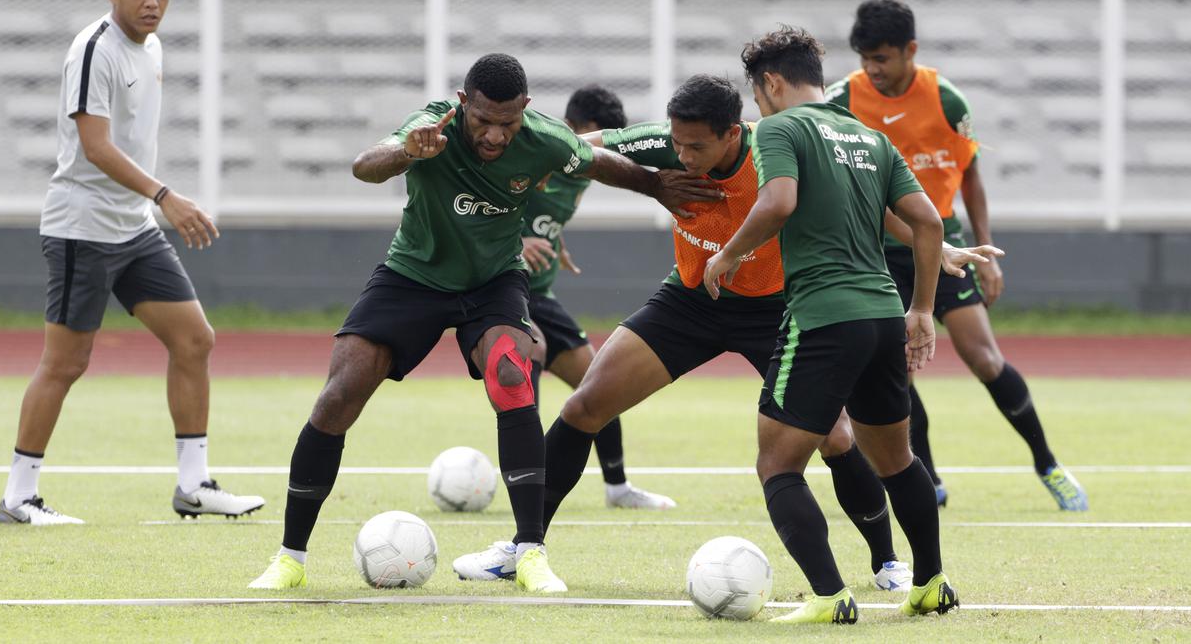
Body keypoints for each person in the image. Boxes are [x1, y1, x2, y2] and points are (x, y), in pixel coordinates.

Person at [457, 74, 997, 592]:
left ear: (732, 135)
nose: (683, 156)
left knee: (835, 436)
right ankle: (522, 546)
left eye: (696, 147)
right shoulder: (667, 143)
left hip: (775, 309)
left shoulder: (776, 150)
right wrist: (518, 141)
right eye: (677, 144)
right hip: (692, 300)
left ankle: (887, 562)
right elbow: (583, 145)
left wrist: (941, 247)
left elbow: (874, 207)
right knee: (585, 406)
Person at [247, 53, 721, 592]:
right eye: (484, 122)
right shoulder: (431, 125)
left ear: (526, 110)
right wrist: (406, 151)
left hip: (493, 281)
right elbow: (364, 165)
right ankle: (290, 558)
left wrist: (657, 187)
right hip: (414, 274)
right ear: (463, 102)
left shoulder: (543, 137)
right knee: (339, 395)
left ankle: (530, 552)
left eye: (508, 123)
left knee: (513, 374)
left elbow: (596, 163)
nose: (496, 136)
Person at [0, 0, 264, 526]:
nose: (152, 1)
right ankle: (18, 497)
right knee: (66, 363)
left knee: (195, 340)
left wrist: (150, 205)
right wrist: (166, 196)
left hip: (133, 229)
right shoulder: (94, 49)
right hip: (82, 229)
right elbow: (95, 147)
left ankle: (193, 485)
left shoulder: (154, 46)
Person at [702, 26, 957, 624]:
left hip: (822, 316)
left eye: (757, 94)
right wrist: (920, 309)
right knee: (899, 460)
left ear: (769, 83)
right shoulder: (868, 135)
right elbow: (929, 224)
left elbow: (779, 201)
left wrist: (729, 253)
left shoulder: (780, 128)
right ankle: (931, 582)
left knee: (777, 464)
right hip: (881, 314)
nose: (758, 107)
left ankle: (829, 596)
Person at [827, 0, 1087, 511]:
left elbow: (970, 175)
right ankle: (928, 478)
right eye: (865, 59)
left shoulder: (948, 102)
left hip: (942, 243)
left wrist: (986, 253)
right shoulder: (841, 102)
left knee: (984, 356)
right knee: (892, 370)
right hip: (874, 253)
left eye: (882, 58)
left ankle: (1047, 463)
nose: (872, 70)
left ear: (910, 51)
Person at [518, 85, 678, 512]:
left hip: (540, 291)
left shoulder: (581, 173)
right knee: (530, 348)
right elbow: (490, 200)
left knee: (599, 382)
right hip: (498, 284)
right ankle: (526, 479)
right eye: (601, 135)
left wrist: (554, 238)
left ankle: (618, 487)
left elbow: (543, 214)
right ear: (580, 129)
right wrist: (518, 243)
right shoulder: (539, 153)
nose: (606, 149)